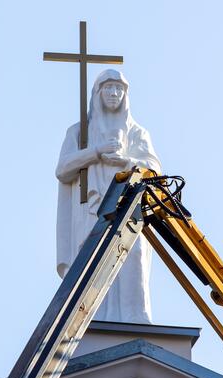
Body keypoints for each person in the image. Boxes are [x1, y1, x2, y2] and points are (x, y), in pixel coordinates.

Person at [55, 69, 161, 324]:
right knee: (93, 256)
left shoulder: (137, 133)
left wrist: (127, 160)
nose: (114, 93)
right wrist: (96, 152)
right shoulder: (80, 131)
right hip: (90, 208)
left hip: (129, 205)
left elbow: (155, 169)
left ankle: (135, 317)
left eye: (119, 89)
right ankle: (90, 316)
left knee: (132, 254)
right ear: (97, 93)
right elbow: (63, 169)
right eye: (108, 88)